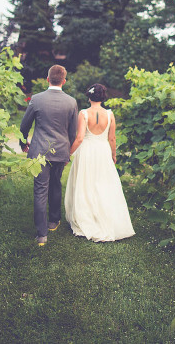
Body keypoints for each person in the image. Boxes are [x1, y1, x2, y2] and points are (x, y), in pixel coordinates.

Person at [65, 83, 135, 242]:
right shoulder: (110, 114)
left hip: (87, 151)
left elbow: (80, 137)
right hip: (103, 151)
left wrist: (69, 152)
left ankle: (88, 216)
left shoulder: (83, 113)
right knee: (103, 184)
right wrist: (113, 154)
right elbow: (112, 138)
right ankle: (104, 217)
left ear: (89, 96)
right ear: (103, 97)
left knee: (86, 184)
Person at [19, 65, 78, 246]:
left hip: (39, 152)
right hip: (60, 151)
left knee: (40, 189)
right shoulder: (71, 102)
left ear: (47, 79)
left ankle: (42, 234)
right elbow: (73, 133)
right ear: (64, 81)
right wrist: (67, 152)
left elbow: (24, 126)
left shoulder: (36, 99)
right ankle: (54, 220)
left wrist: (23, 143)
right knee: (55, 184)